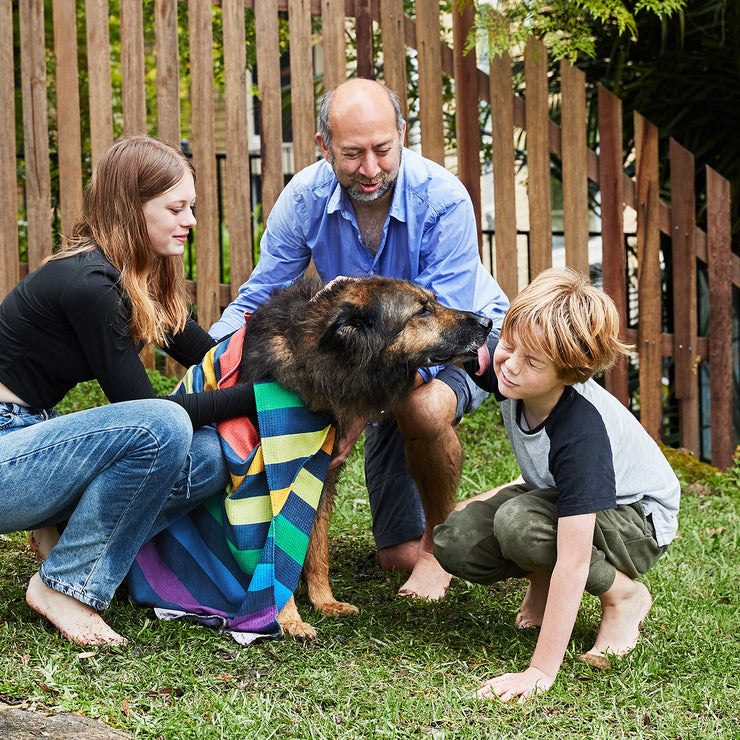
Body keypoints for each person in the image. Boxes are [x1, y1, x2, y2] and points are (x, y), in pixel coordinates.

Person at [210, 78, 510, 601]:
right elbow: (258, 297)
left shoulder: (441, 199)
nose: (369, 169)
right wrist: (207, 364)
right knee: (394, 557)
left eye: (382, 150)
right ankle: (472, 517)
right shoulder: (304, 198)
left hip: (461, 337)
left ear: (402, 133)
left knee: (421, 409)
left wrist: (361, 411)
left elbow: (436, 332)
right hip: (375, 358)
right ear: (325, 146)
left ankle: (440, 550)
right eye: (351, 154)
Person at [0, 135, 260, 646]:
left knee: (211, 454)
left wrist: (282, 371)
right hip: (7, 451)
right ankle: (65, 586)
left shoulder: (139, 276)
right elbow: (150, 413)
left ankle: (70, 544)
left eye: (192, 207)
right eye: (176, 208)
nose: (190, 221)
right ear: (131, 210)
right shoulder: (89, 284)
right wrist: (263, 397)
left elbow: (212, 359)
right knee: (163, 425)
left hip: (32, 441)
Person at [433, 268, 680, 702]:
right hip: (556, 495)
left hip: (637, 519)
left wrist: (539, 672)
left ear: (569, 374)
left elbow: (573, 557)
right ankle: (540, 581)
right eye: (510, 344)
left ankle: (625, 597)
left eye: (532, 362)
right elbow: (452, 348)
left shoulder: (580, 430)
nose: (509, 365)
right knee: (457, 540)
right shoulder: (507, 365)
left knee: (520, 525)